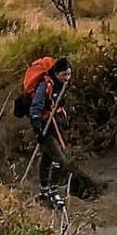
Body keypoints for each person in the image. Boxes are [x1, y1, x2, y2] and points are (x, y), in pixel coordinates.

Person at [30, 57, 74, 208]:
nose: (67, 78)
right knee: (60, 160)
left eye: (69, 74)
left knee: (47, 158)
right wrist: (38, 130)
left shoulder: (62, 84)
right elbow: (35, 108)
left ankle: (43, 190)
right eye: (64, 75)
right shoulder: (45, 86)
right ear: (56, 73)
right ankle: (53, 191)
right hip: (46, 128)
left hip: (57, 126)